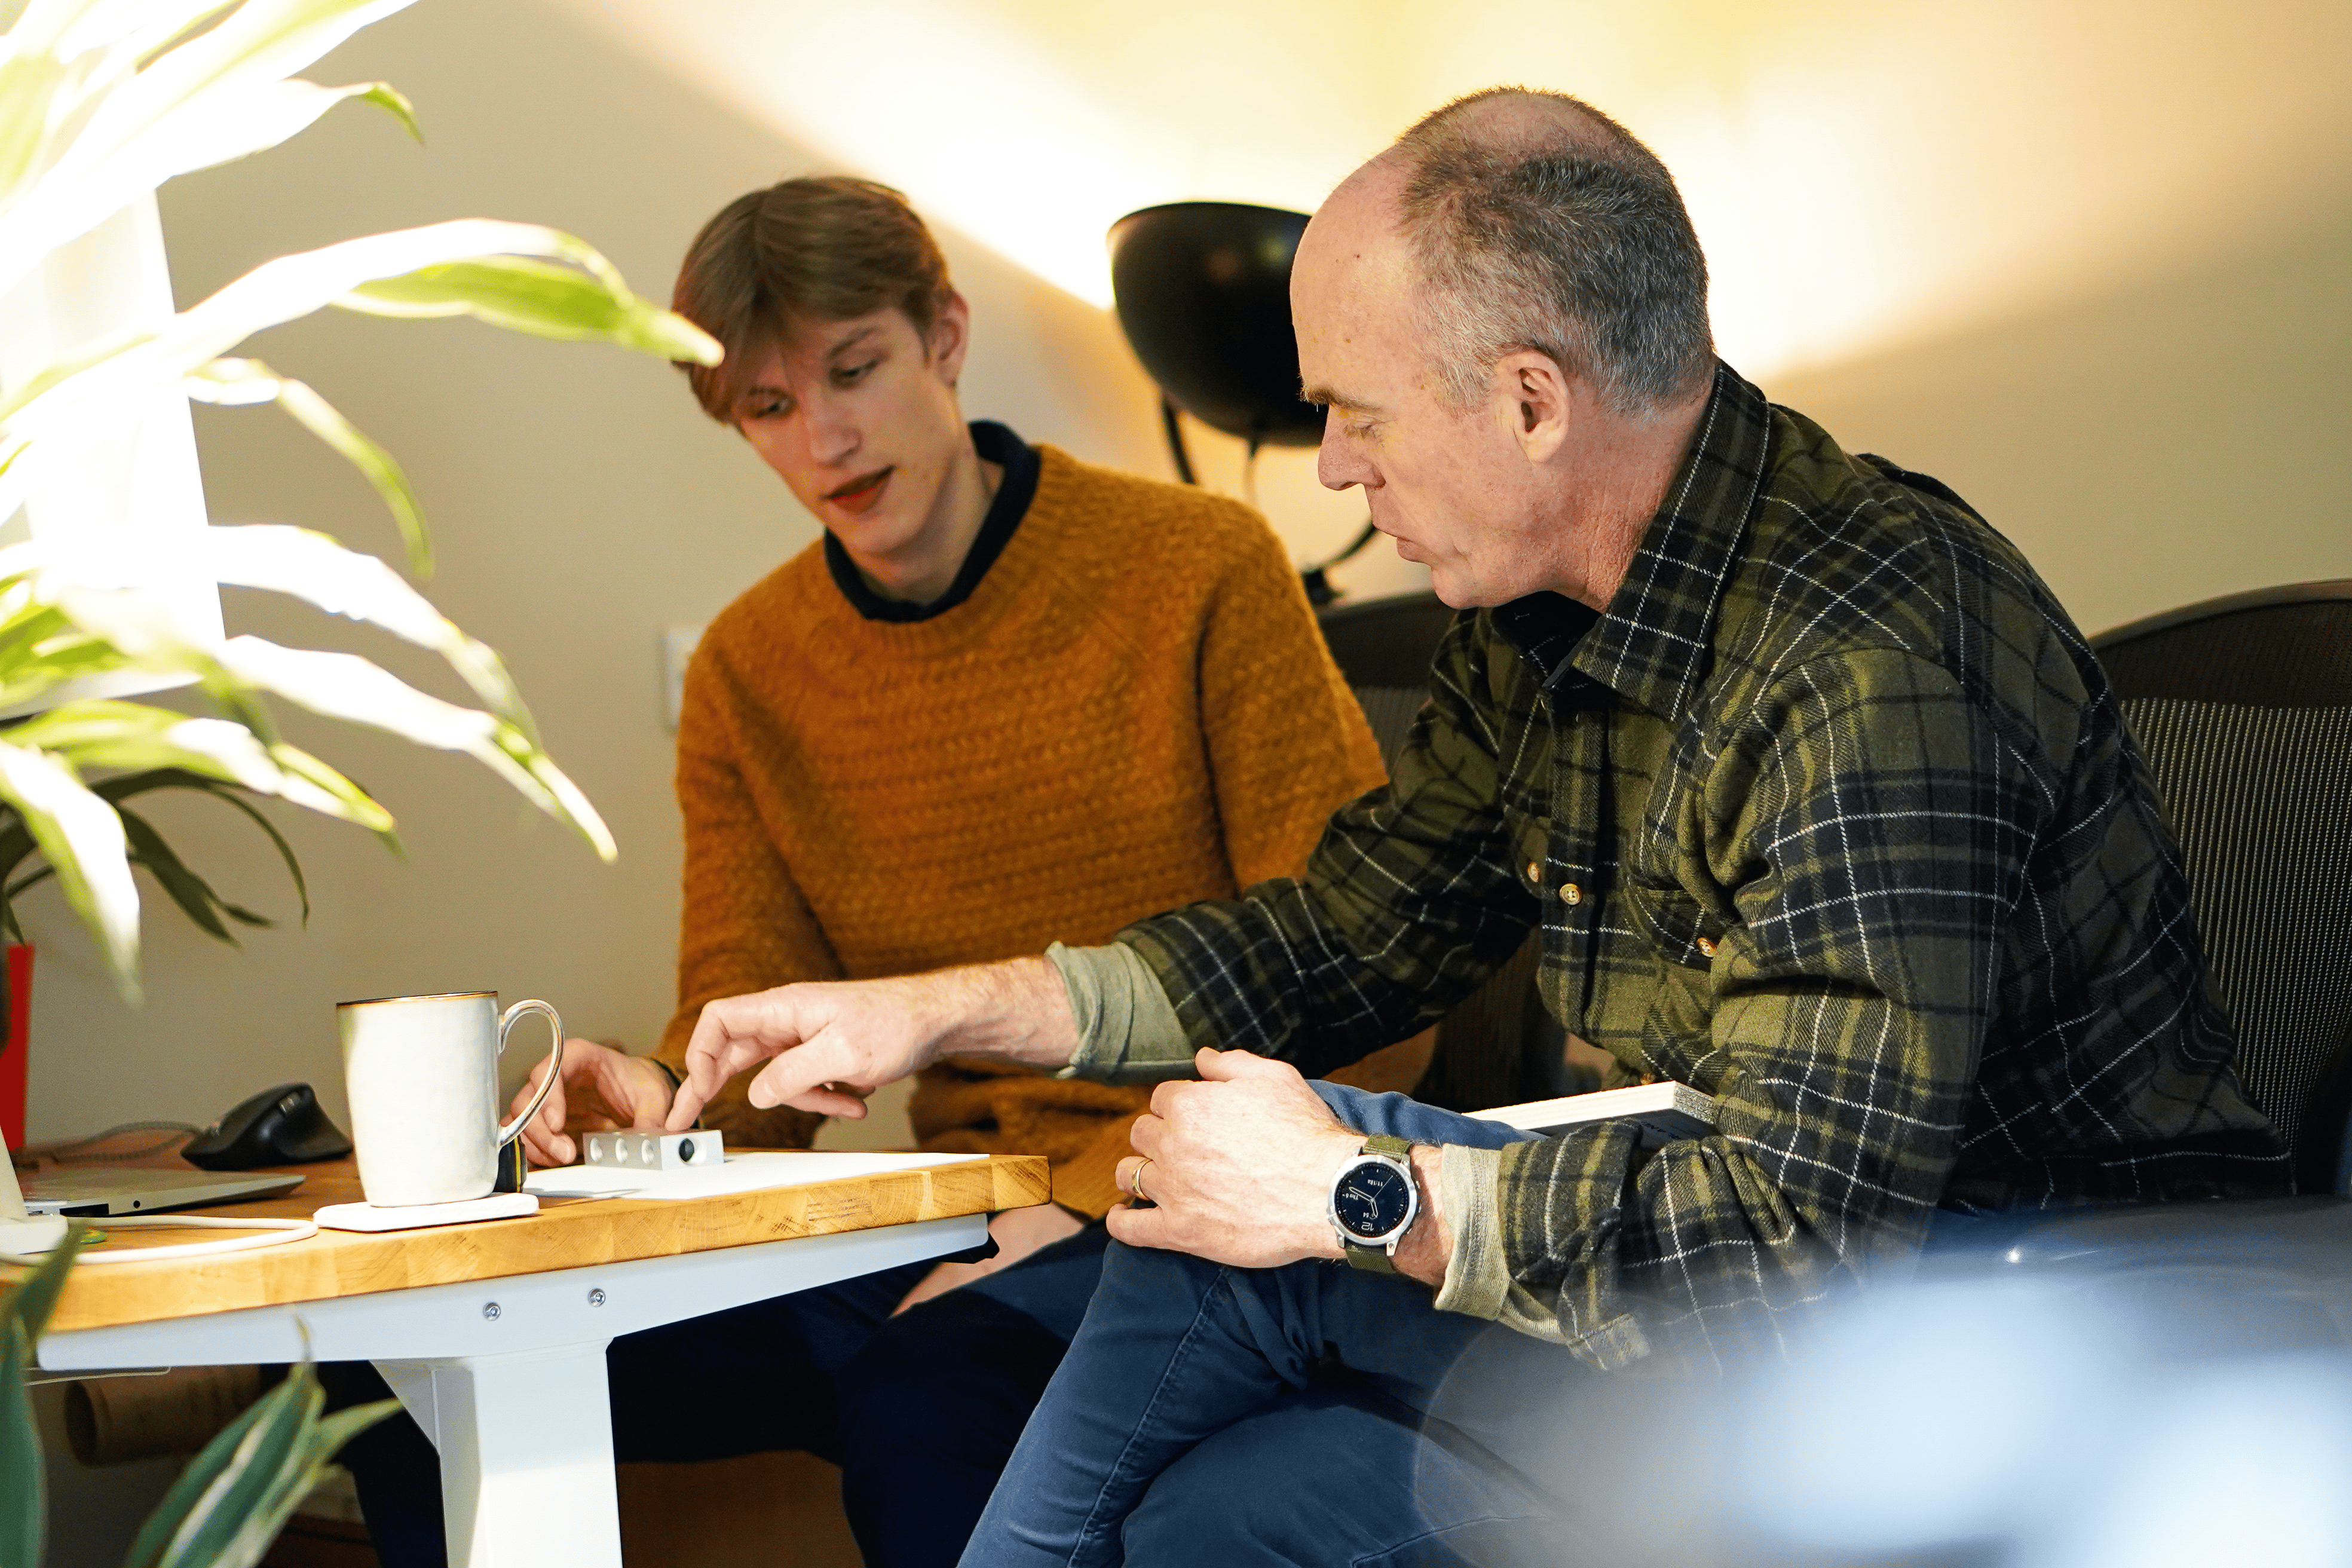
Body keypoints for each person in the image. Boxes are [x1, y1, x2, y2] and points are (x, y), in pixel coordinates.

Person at [662, 91, 2293, 1566]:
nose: (1340, 474)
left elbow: (1795, 1244)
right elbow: (1351, 931)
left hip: (1995, 1320)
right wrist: (950, 1004)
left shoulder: (1864, 665)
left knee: (1240, 1257)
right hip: (1707, 1273)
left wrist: (1357, 1194)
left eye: (1357, 415)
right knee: (1206, 1487)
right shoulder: (1540, 621)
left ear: (1530, 403)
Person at [333, 174, 1389, 1568]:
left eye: (854, 369)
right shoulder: (750, 670)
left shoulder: (1200, 565)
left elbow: (1356, 971)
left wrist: (1085, 1207)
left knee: (926, 1389)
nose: (825, 436)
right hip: (933, 1220)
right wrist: (661, 1100)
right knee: (391, 1370)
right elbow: (747, 1031)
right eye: (770, 408)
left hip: (1186, 1205)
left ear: (943, 337)